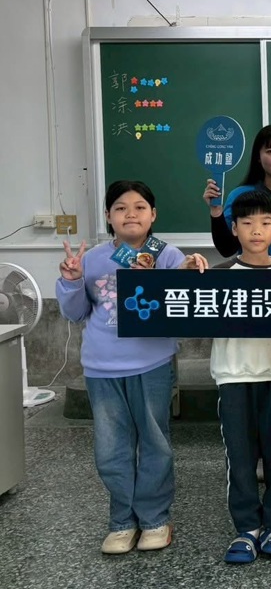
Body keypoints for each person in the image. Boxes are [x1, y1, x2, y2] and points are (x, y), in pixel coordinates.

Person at [56, 180, 207, 554]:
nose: (130, 214)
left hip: (151, 364)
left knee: (155, 442)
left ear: (153, 214)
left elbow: (184, 307)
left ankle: (155, 519)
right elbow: (75, 313)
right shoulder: (93, 259)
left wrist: (189, 270)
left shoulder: (168, 255)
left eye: (140, 207)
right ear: (108, 216)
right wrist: (71, 281)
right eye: (120, 208)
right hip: (101, 367)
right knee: (111, 448)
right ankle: (122, 520)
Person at [212, 190, 271, 564]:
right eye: (247, 222)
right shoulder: (220, 275)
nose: (256, 230)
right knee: (239, 457)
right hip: (233, 376)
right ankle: (247, 528)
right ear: (234, 228)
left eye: (265, 222)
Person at [203, 124, 271, 258]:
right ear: (258, 157)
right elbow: (227, 249)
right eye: (270, 151)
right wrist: (216, 211)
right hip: (253, 271)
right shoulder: (239, 195)